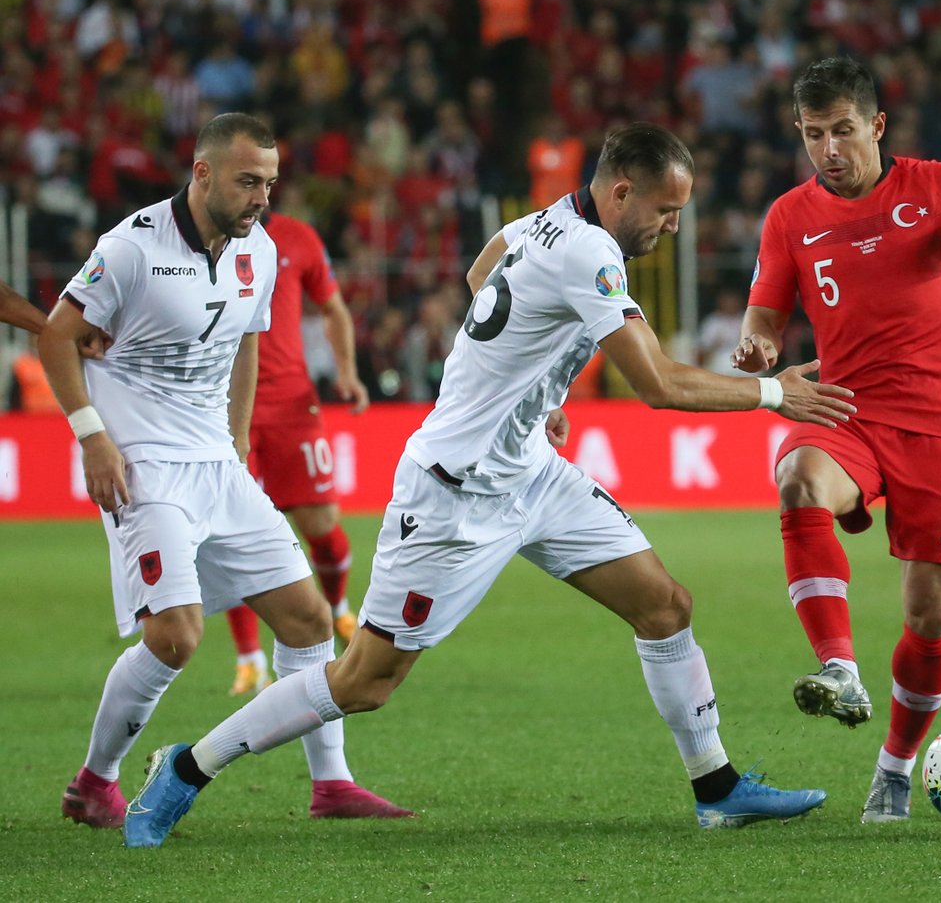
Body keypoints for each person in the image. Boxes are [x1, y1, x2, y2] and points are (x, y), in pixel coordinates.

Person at [122, 122, 858, 848]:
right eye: (665, 210)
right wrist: (774, 395)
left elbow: (484, 273)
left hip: (532, 474)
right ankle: (186, 767)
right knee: (364, 681)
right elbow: (658, 384)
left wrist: (537, 388)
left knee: (665, 606)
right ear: (622, 192)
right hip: (455, 494)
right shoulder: (588, 250)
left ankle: (717, 789)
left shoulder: (543, 221)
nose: (671, 226)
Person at [40, 112, 410, 832]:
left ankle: (332, 783)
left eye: (269, 183)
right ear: (202, 173)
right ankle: (95, 782)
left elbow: (247, 342)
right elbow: (57, 337)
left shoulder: (260, 251)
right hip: (144, 464)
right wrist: (92, 438)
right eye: (247, 182)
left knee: (308, 617)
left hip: (217, 461)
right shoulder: (132, 247)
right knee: (176, 636)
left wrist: (236, 440)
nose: (261, 198)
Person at [732, 57, 941, 823]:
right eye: (813, 134)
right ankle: (839, 668)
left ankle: (894, 766)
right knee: (798, 480)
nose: (829, 149)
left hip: (939, 423)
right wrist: (758, 348)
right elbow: (765, 315)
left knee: (932, 613)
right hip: (845, 409)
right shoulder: (789, 216)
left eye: (843, 130)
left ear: (877, 125)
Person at [225, 207, 371, 697]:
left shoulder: (298, 238)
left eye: (263, 181)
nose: (255, 192)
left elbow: (334, 308)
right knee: (231, 533)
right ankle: (248, 658)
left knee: (322, 524)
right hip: (224, 406)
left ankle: (338, 608)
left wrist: (347, 372)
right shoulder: (199, 240)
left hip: (291, 403)